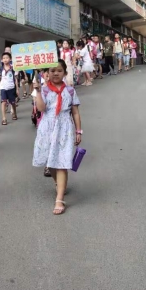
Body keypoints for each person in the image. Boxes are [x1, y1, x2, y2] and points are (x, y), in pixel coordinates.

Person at [32, 59, 82, 215]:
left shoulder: (70, 91)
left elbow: (75, 112)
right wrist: (38, 92)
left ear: (65, 73)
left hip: (64, 129)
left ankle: (59, 199)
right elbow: (41, 109)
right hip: (47, 129)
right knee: (51, 162)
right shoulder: (44, 90)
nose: (55, 73)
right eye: (52, 70)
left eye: (59, 70)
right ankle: (59, 183)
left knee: (61, 163)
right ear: (47, 73)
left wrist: (78, 131)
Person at [0, 52, 19, 125]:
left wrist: (17, 89)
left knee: (13, 103)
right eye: (3, 58)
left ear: (10, 59)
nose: (5, 59)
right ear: (1, 60)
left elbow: (16, 79)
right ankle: (4, 118)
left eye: (7, 58)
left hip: (11, 87)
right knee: (3, 102)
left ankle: (14, 113)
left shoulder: (13, 68)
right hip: (3, 88)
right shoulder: (0, 68)